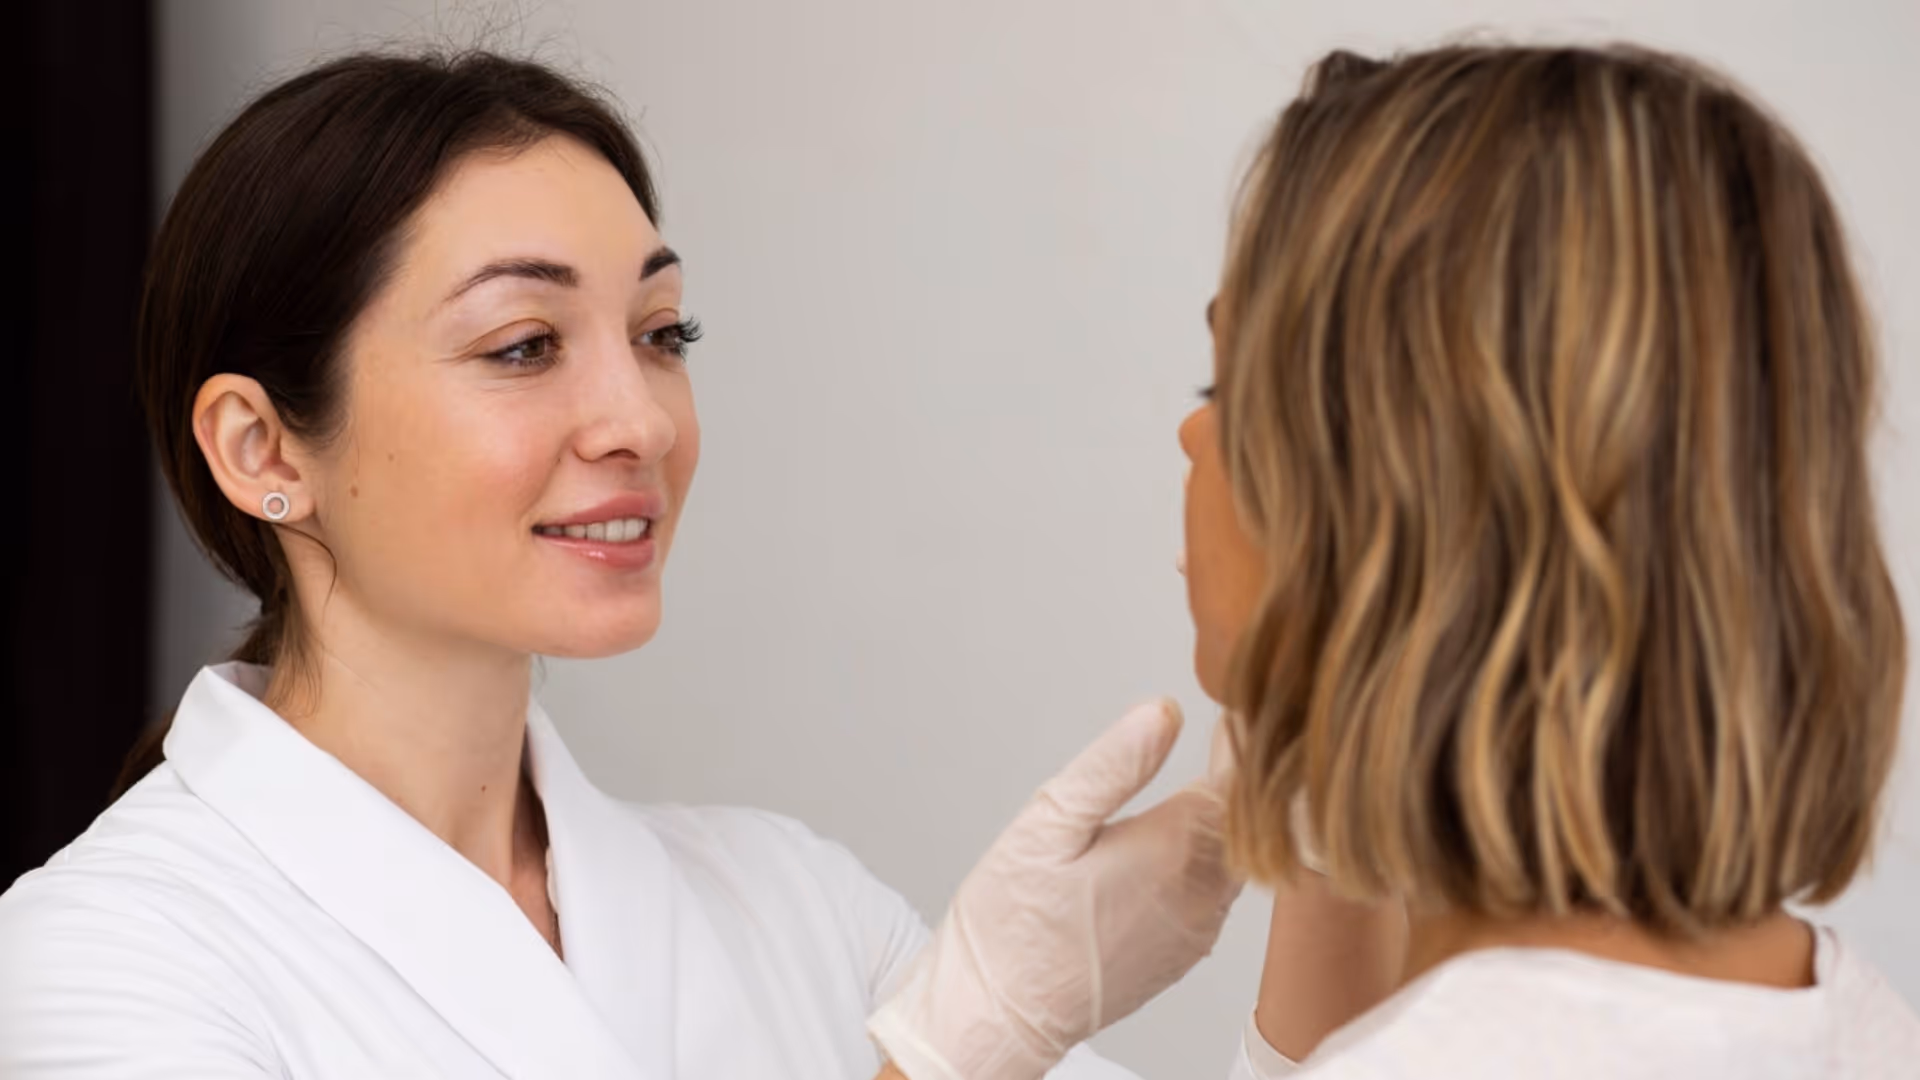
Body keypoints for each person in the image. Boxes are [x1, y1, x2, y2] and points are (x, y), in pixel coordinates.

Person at [0, 52, 1242, 1079]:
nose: (640, 421)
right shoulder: (105, 955)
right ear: (261, 444)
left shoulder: (787, 900)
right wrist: (962, 1047)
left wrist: (1329, 850)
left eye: (662, 334)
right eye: (526, 345)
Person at [1183, 44, 1920, 1078]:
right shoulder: (1848, 1025)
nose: (1190, 440)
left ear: (1374, 500)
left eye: (1223, 392)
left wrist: (947, 1045)